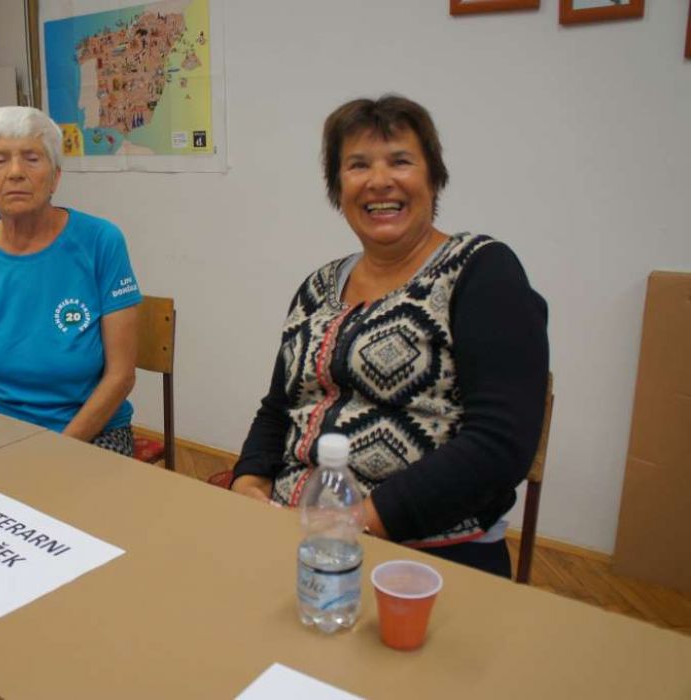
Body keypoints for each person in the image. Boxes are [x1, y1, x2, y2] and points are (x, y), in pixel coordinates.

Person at [231, 95, 548, 578]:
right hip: (292, 535)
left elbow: (499, 445)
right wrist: (248, 482)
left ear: (433, 178)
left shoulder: (481, 271)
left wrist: (357, 522)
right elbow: (279, 407)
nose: (379, 180)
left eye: (400, 161)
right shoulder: (317, 286)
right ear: (338, 187)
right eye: (358, 165)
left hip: (426, 558)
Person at [0, 106, 142, 456]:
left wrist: (56, 453)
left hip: (88, 432)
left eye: (32, 158)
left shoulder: (101, 242)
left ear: (55, 177)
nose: (16, 172)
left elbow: (121, 376)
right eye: (0, 160)